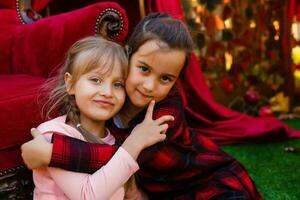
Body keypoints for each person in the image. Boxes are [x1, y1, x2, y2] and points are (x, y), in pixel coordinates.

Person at [22, 13, 262, 199]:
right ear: (128, 56)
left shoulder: (166, 113)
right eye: (144, 69)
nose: (149, 86)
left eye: (165, 78)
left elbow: (117, 156)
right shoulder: (113, 96)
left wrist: (52, 153)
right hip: (165, 193)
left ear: (176, 81)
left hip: (208, 181)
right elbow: (107, 148)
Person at [28, 36, 174, 200]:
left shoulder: (115, 139)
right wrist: (135, 142)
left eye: (117, 84)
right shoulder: (52, 134)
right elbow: (87, 196)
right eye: (95, 80)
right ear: (70, 84)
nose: (107, 92)